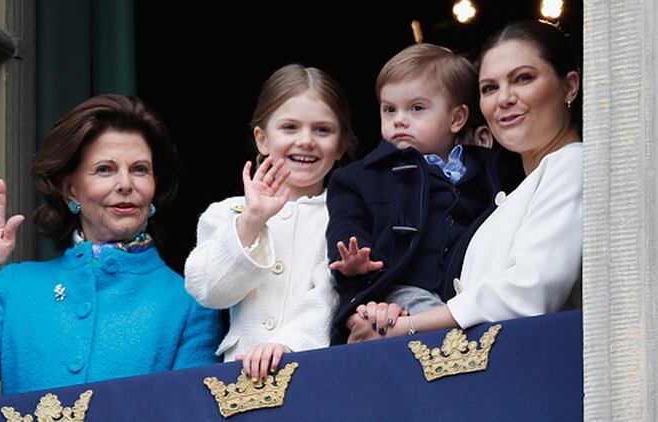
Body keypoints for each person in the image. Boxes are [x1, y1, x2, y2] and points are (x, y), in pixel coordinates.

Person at [0, 94, 222, 404]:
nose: (126, 184)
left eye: (140, 169)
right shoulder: (17, 287)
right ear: (70, 189)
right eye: (105, 169)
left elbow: (191, 411)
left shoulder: (189, 302)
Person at [347, 20, 582, 342]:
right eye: (490, 88)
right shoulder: (509, 190)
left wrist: (404, 327)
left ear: (569, 86)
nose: (504, 98)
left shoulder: (573, 163)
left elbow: (529, 292)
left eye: (523, 78)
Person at [326, 43, 522, 344]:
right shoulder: (360, 177)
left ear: (456, 119)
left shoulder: (489, 168)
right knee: (457, 334)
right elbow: (346, 221)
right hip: (396, 290)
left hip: (466, 287)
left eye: (416, 108)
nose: (399, 119)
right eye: (389, 109)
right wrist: (353, 259)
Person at [185, 64, 355, 381]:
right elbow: (208, 290)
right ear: (262, 139)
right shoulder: (228, 213)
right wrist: (252, 220)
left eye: (322, 130)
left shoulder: (348, 214)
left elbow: (332, 294)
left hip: (318, 374)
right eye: (289, 127)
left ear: (341, 145)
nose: (306, 141)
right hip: (239, 379)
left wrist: (287, 343)